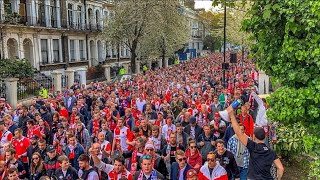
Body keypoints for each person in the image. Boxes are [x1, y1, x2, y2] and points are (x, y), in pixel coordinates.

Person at [227, 105, 284, 180]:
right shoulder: (271, 152)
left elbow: (238, 133)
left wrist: (231, 115)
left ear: (254, 136)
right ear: (264, 136)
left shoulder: (253, 146)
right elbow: (280, 168)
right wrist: (278, 178)